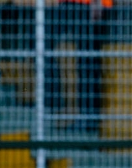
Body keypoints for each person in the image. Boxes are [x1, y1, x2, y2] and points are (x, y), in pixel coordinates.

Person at [46, 0, 110, 135]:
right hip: (68, 4)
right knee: (43, 48)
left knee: (88, 64)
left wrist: (96, 4)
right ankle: (51, 105)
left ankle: (89, 120)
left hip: (87, 5)